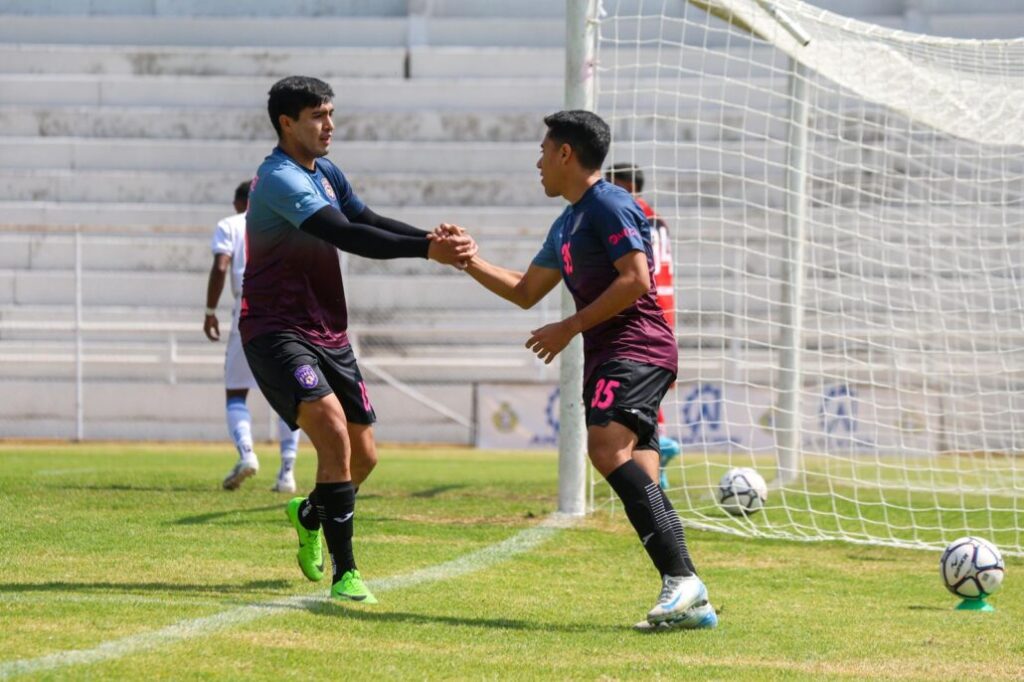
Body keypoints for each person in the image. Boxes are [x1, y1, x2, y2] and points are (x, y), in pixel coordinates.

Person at [444, 110, 716, 630]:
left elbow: (636, 279)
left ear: (566, 153)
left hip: (636, 345)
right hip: (610, 350)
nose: (538, 162)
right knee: (642, 471)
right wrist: (468, 260)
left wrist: (568, 327)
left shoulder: (610, 204)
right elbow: (526, 291)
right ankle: (689, 599)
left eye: (544, 151)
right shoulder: (567, 220)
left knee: (604, 449)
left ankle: (684, 581)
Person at [240, 76, 474, 604]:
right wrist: (427, 254)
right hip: (276, 328)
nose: (330, 126)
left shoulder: (325, 172)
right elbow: (345, 234)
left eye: (330, 113)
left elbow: (364, 217)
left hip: (328, 330)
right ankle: (346, 574)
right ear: (286, 122)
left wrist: (431, 241)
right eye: (318, 116)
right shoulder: (279, 178)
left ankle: (309, 514)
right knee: (333, 434)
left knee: (363, 456)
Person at [204, 180, 302, 494]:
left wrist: (209, 311)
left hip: (247, 309)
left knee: (236, 392)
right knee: (290, 394)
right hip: (286, 309)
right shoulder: (281, 225)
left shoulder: (230, 224)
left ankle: (247, 454)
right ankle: (287, 472)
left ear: (238, 202)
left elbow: (221, 267)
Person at [604, 163, 682, 490]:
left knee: (632, 392)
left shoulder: (627, 214)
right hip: (665, 309)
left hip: (642, 308)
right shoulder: (657, 220)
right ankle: (655, 458)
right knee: (649, 393)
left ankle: (656, 453)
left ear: (622, 185)